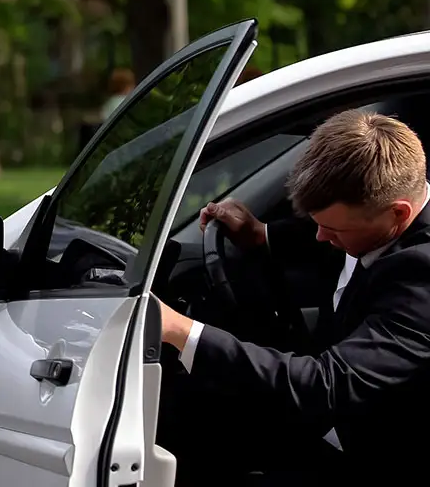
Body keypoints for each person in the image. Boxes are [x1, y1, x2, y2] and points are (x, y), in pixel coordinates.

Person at [155, 109, 430, 485]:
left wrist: (180, 330)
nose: (320, 238)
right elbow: (327, 241)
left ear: (398, 214)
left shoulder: (422, 278)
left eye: (332, 229)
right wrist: (262, 234)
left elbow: (324, 385)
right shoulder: (379, 222)